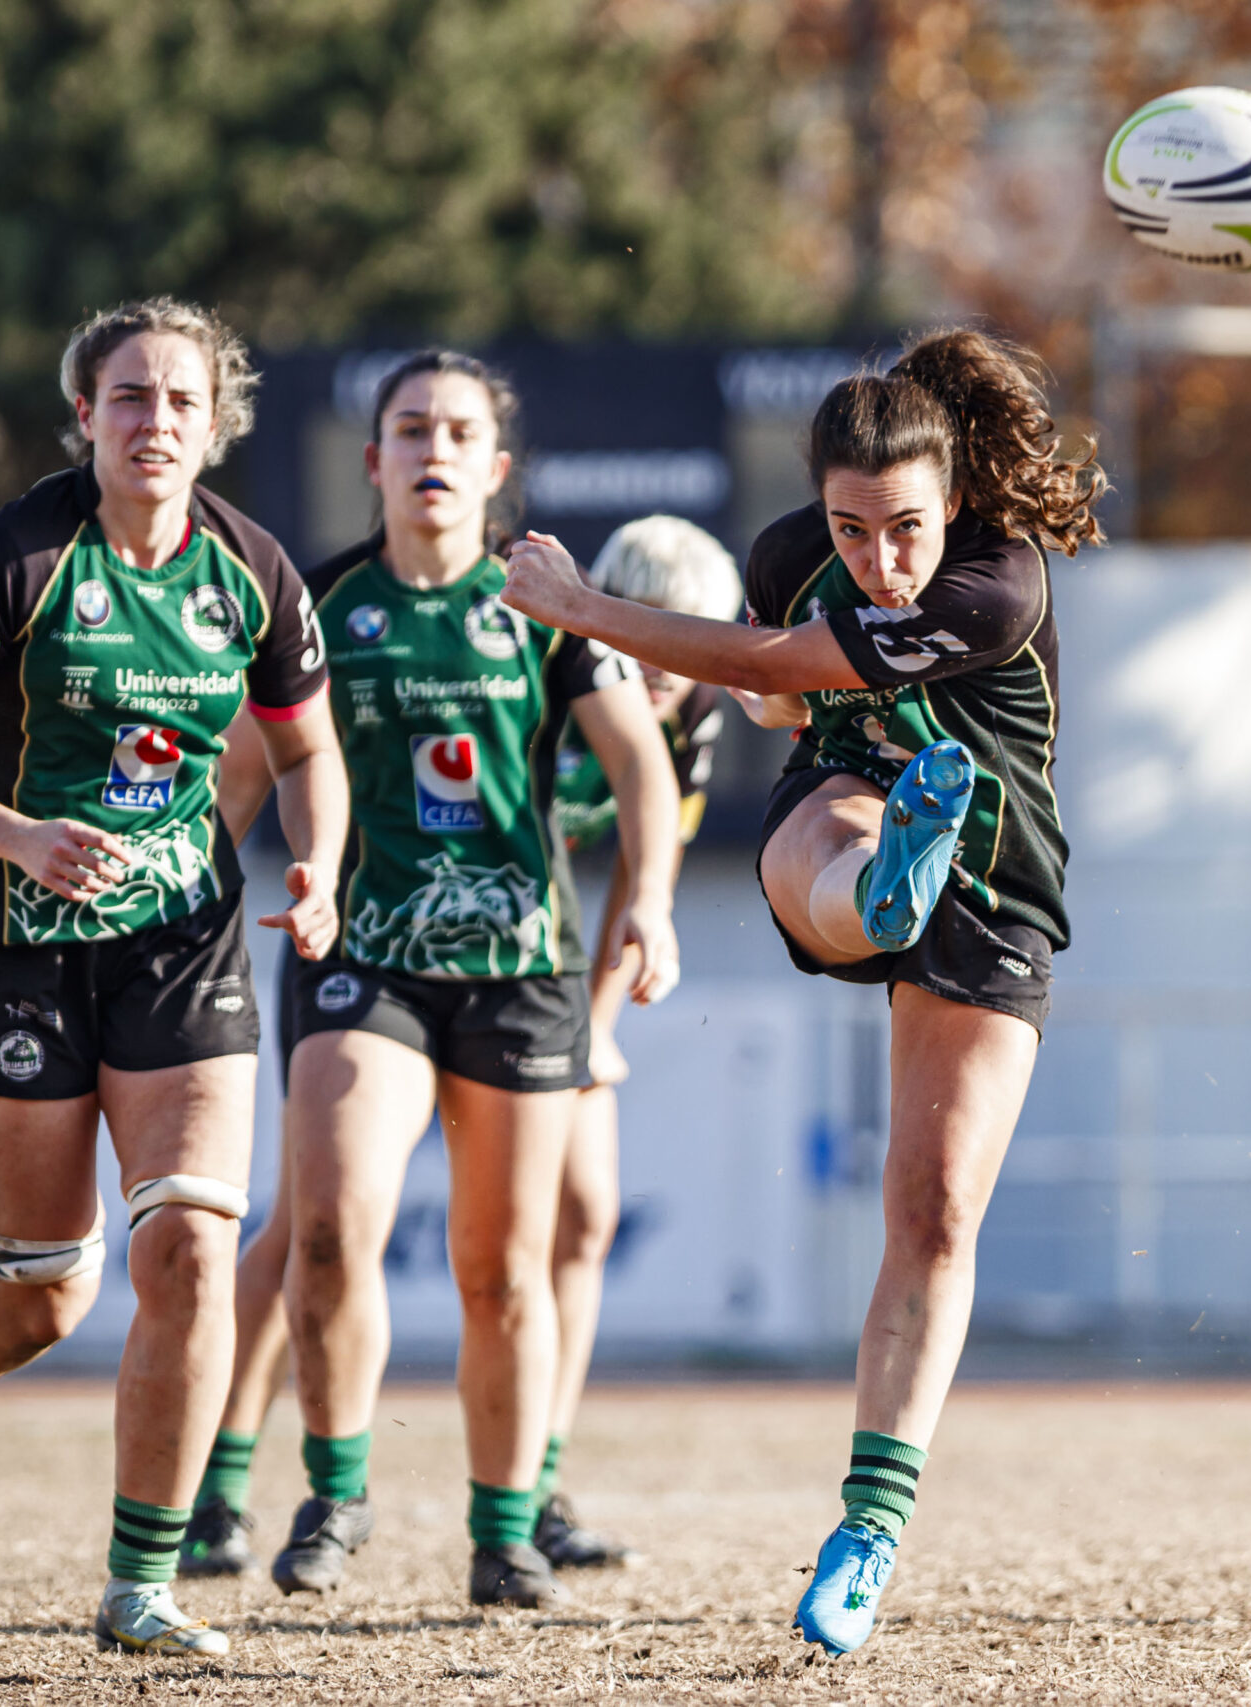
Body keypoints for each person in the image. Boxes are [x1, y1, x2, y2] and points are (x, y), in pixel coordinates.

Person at [498, 328, 1102, 1657]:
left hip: (997, 880)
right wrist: (776, 697)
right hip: (857, 804)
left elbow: (772, 666)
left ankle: (868, 1530)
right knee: (809, 842)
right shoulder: (792, 558)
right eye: (852, 525)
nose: (880, 557)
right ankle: (881, 881)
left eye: (904, 527)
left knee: (933, 1209)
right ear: (818, 503)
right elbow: (772, 671)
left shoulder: (1001, 582)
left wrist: (588, 607)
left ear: (954, 500)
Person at [0, 298, 346, 1659]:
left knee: (189, 1245)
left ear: (213, 423)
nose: (155, 423)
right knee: (44, 1292)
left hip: (180, 938)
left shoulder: (254, 572)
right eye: (128, 397)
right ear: (85, 415)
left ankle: (140, 1582)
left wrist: (319, 868)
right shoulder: (17, 556)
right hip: (5, 944)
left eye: (180, 401)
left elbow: (306, 753)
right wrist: (22, 834)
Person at [200, 349, 682, 1611]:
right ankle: (336, 1492)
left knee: (504, 1269)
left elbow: (640, 771)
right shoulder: (317, 604)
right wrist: (197, 896)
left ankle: (505, 1531)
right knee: (328, 1222)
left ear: (496, 469)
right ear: (373, 461)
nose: (432, 450)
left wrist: (655, 908)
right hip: (367, 957)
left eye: (458, 431)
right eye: (409, 429)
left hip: (522, 968)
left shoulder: (546, 606)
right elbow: (243, 776)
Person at [533, 514, 740, 1570]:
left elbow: (629, 873)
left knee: (584, 1216)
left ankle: (538, 1483)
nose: (670, 665)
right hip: (420, 944)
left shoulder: (689, 712)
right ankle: (223, 1476)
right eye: (652, 633)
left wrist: (595, 1030)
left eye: (692, 638)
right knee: (321, 1228)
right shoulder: (549, 661)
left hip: (546, 962)